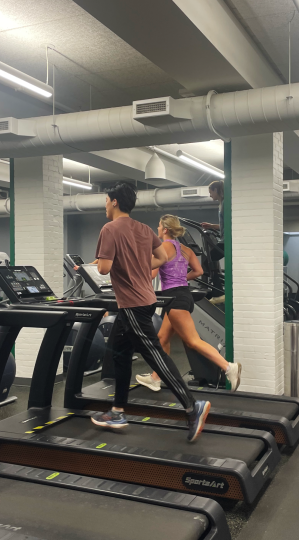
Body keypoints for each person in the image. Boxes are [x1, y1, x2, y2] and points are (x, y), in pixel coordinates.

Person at [90, 182, 211, 442]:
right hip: (143, 300)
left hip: (133, 303)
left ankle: (192, 406)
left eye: (105, 200)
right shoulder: (144, 228)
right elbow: (160, 258)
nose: (104, 205)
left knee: (154, 355)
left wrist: (102, 262)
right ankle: (118, 410)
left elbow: (103, 269)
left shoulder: (109, 229)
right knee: (120, 354)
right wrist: (136, 265)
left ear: (113, 202)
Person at [136, 214, 242, 392]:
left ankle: (228, 367)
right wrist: (180, 278)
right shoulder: (186, 249)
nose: (157, 230)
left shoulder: (162, 248)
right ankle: (156, 377)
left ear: (166, 229)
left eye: (159, 226)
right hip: (184, 295)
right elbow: (198, 271)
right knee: (162, 338)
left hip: (175, 299)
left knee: (192, 341)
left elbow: (151, 275)